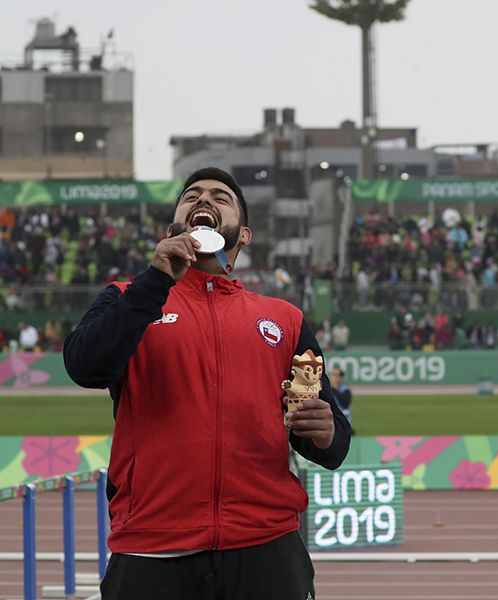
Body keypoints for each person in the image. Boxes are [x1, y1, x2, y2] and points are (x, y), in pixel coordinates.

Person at [63, 167, 350, 600]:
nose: (204, 200)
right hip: (152, 548)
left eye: (221, 197)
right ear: (172, 227)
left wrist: (326, 434)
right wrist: (155, 282)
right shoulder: (128, 298)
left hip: (267, 549)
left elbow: (331, 444)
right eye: (192, 195)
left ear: (244, 235)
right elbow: (84, 366)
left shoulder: (284, 320)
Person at [329, 367, 354, 435]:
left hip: (343, 425)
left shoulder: (345, 390)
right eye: (331, 374)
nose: (332, 377)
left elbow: (345, 403)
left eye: (335, 375)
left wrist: (333, 388)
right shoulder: (327, 390)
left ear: (340, 377)